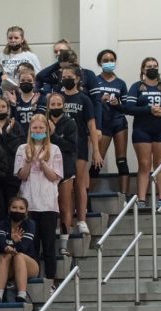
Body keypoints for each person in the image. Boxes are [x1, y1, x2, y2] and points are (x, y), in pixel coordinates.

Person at [123, 57, 161, 209]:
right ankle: (141, 200)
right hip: (142, 131)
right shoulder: (137, 87)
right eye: (149, 66)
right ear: (143, 70)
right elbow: (129, 108)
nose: (152, 68)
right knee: (144, 164)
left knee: (160, 164)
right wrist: (149, 109)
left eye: (155, 66)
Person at [15, 114, 63, 283]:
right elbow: (22, 175)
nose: (38, 131)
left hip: (49, 204)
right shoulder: (22, 149)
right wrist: (29, 161)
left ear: (46, 130)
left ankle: (51, 280)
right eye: (35, 128)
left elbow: (54, 177)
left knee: (49, 245)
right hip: (29, 204)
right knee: (31, 245)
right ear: (30, 129)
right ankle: (32, 279)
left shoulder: (54, 149)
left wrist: (42, 162)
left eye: (41, 128)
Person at [59, 64, 102, 234]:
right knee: (65, 186)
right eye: (64, 76)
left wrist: (96, 151)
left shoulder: (84, 99)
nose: (66, 79)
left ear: (77, 79)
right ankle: (65, 221)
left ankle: (82, 220)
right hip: (61, 147)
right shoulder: (58, 98)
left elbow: (91, 126)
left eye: (70, 76)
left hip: (80, 145)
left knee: (80, 184)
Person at [94, 49, 130, 200]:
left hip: (119, 122)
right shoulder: (95, 80)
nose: (109, 62)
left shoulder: (120, 83)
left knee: (121, 159)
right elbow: (90, 102)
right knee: (98, 161)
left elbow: (127, 107)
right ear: (100, 63)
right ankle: (89, 195)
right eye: (105, 60)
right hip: (103, 124)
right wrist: (100, 99)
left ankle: (125, 196)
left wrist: (118, 103)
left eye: (111, 60)